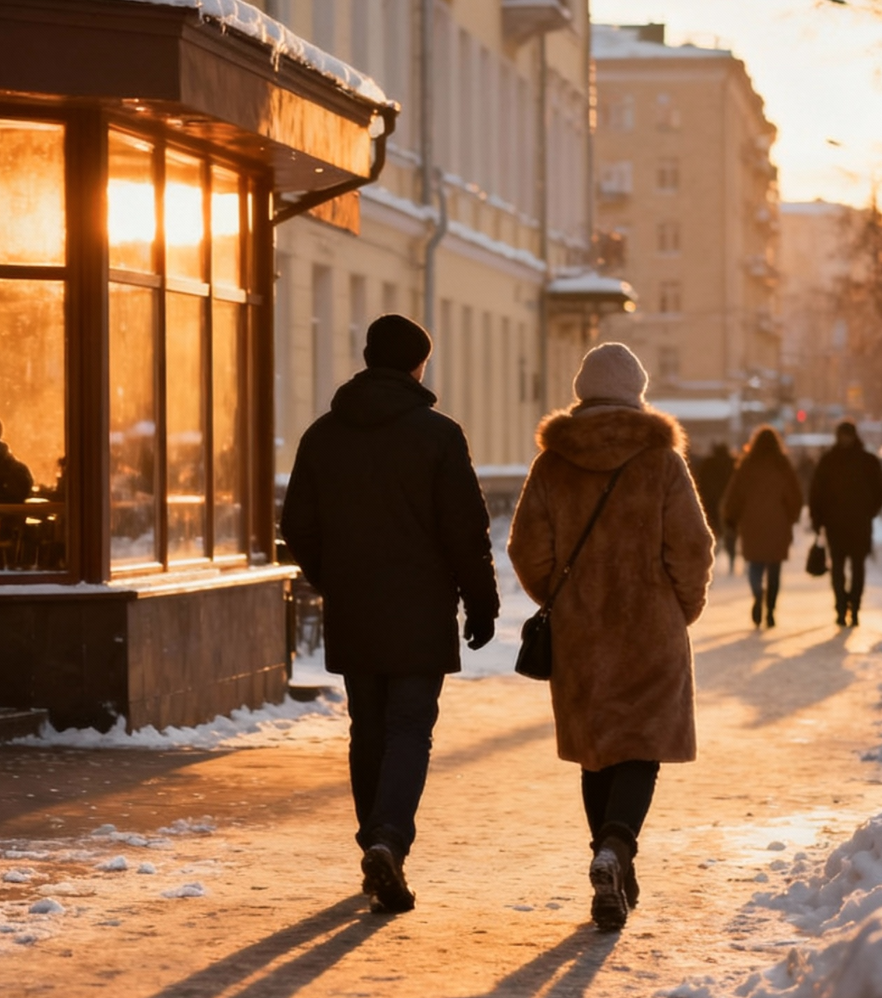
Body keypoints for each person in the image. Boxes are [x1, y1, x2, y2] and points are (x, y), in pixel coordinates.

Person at [279, 313, 500, 915]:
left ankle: (376, 843)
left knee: (367, 728)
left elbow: (296, 523)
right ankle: (387, 841)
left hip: (355, 606)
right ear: (416, 365)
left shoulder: (322, 434)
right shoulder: (439, 434)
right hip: (421, 608)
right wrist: (481, 601)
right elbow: (466, 530)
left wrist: (335, 577)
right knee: (409, 727)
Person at [507, 343, 714, 932]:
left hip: (581, 633)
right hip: (651, 630)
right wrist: (683, 607)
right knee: (641, 747)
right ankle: (617, 850)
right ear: (637, 393)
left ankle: (607, 856)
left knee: (597, 753)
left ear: (582, 391)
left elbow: (525, 547)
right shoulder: (662, 461)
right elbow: (693, 547)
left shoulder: (553, 464)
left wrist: (561, 600)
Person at [720, 426, 803, 629]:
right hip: (778, 523)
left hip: (751, 523)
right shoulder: (783, 465)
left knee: (754, 564)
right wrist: (791, 517)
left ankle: (758, 593)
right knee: (774, 568)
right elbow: (795, 496)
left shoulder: (747, 465)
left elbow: (734, 495)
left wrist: (731, 517)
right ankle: (771, 611)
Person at [809, 420, 882, 627]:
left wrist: (819, 520)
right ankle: (843, 606)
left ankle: (851, 606)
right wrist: (818, 520)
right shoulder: (864, 460)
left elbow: (815, 494)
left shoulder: (832, 460)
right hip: (847, 524)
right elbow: (816, 494)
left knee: (852, 567)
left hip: (847, 523)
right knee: (843, 567)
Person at [695, 442, 737, 575]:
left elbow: (699, 483)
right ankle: (732, 559)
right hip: (730, 501)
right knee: (731, 533)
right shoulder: (733, 463)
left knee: (714, 532)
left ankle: (711, 560)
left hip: (711, 502)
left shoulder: (707, 464)